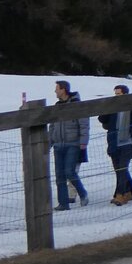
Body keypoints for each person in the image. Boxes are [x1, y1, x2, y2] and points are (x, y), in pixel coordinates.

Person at [98, 84, 132, 205]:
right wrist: (107, 107)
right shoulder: (113, 108)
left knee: (122, 168)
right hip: (114, 142)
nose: (116, 97)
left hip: (128, 143)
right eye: (115, 94)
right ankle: (131, 191)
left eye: (119, 94)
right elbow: (102, 119)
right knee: (119, 169)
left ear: (125, 95)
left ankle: (120, 195)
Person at [47, 80, 89, 211]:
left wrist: (83, 142)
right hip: (58, 144)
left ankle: (83, 193)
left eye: (57, 89)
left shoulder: (76, 105)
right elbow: (52, 126)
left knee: (69, 171)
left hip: (73, 144)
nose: (55, 91)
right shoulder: (57, 106)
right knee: (59, 175)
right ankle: (63, 203)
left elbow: (84, 124)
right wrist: (49, 142)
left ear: (63, 89)